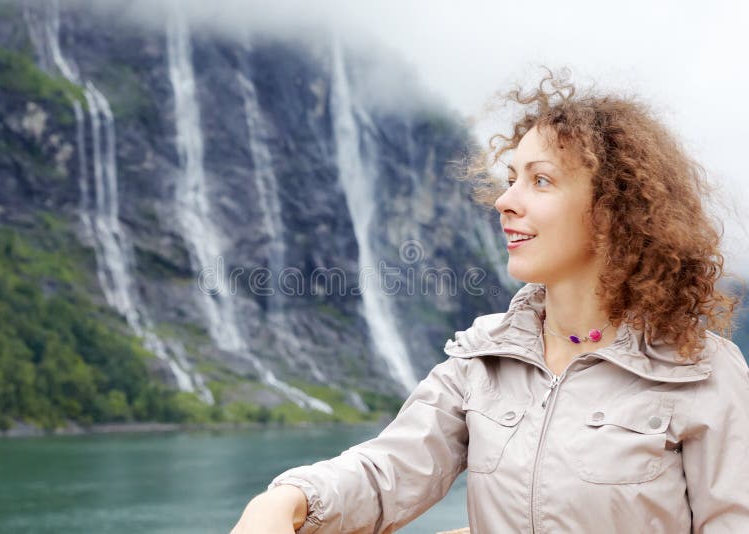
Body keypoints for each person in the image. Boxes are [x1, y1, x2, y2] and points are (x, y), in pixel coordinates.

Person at [230, 70, 749, 533]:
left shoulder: (702, 372)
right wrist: (287, 499)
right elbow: (387, 471)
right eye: (510, 179)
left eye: (540, 180)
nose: (504, 201)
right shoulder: (483, 357)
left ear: (613, 211)